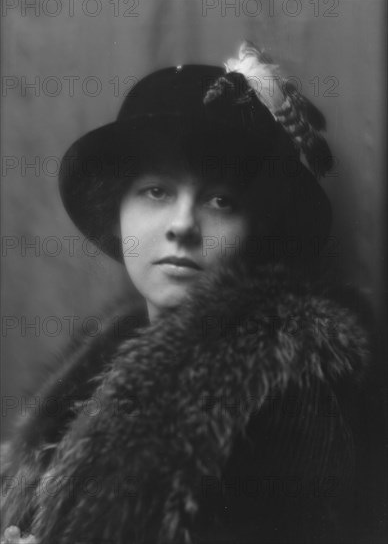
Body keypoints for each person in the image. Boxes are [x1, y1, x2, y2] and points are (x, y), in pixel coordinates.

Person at [1, 42, 376, 544]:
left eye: (220, 201)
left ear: (260, 231)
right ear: (118, 214)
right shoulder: (103, 361)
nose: (182, 226)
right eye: (156, 192)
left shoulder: (288, 395)